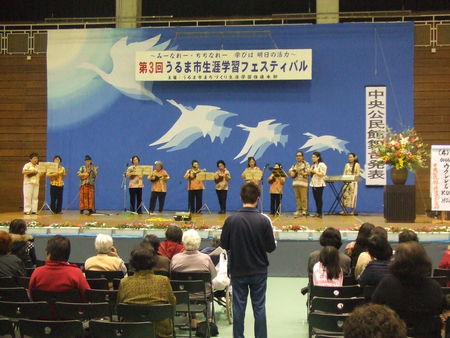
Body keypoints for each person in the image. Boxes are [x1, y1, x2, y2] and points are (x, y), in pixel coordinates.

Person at [221, 183, 276, 338]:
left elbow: (224, 245)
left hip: (238, 271)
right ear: (257, 199)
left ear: (240, 198)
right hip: (259, 271)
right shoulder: (264, 221)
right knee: (259, 308)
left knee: (238, 308)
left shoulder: (231, 220)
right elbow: (271, 247)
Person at [372, 242, 445, 337]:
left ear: (397, 260)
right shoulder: (434, 287)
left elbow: (374, 308)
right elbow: (439, 309)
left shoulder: (387, 284)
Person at [118, 243, 175, 338]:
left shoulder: (124, 283)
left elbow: (120, 309)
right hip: (160, 333)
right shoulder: (163, 281)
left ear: (133, 264)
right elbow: (172, 306)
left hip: (131, 331)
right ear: (153, 262)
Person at [29, 235, 90, 300]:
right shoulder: (76, 274)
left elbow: (31, 296)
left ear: (48, 254)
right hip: (70, 310)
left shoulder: (37, 273)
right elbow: (87, 296)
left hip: (42, 310)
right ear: (68, 254)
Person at [288, 151, 310, 217]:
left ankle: (304, 210)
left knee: (303, 198)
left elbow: (308, 172)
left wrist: (303, 173)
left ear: (303, 157)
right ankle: (299, 210)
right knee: (297, 198)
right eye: (297, 156)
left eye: (300, 156)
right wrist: (291, 172)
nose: (298, 157)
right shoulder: (294, 165)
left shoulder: (306, 164)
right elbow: (290, 171)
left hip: (303, 183)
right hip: (296, 183)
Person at [309, 152, 327, 218]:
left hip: (320, 184)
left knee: (319, 198)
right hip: (313, 184)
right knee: (316, 199)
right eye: (312, 157)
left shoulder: (322, 164)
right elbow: (311, 174)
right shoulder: (313, 165)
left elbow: (322, 174)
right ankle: (317, 212)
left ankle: (320, 212)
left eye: (314, 157)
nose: (312, 158)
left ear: (318, 157)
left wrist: (314, 172)